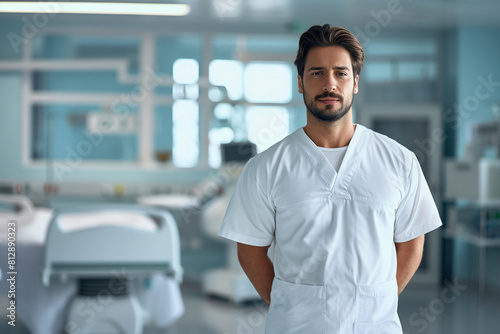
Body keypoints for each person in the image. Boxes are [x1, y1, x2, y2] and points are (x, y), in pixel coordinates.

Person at [219, 24, 442, 334]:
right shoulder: (266, 167)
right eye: (316, 73)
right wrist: (292, 304)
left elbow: (412, 243)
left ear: (355, 83)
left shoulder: (399, 161)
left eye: (340, 73)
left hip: (375, 325)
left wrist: (375, 299)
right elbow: (250, 249)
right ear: (300, 83)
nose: (329, 84)